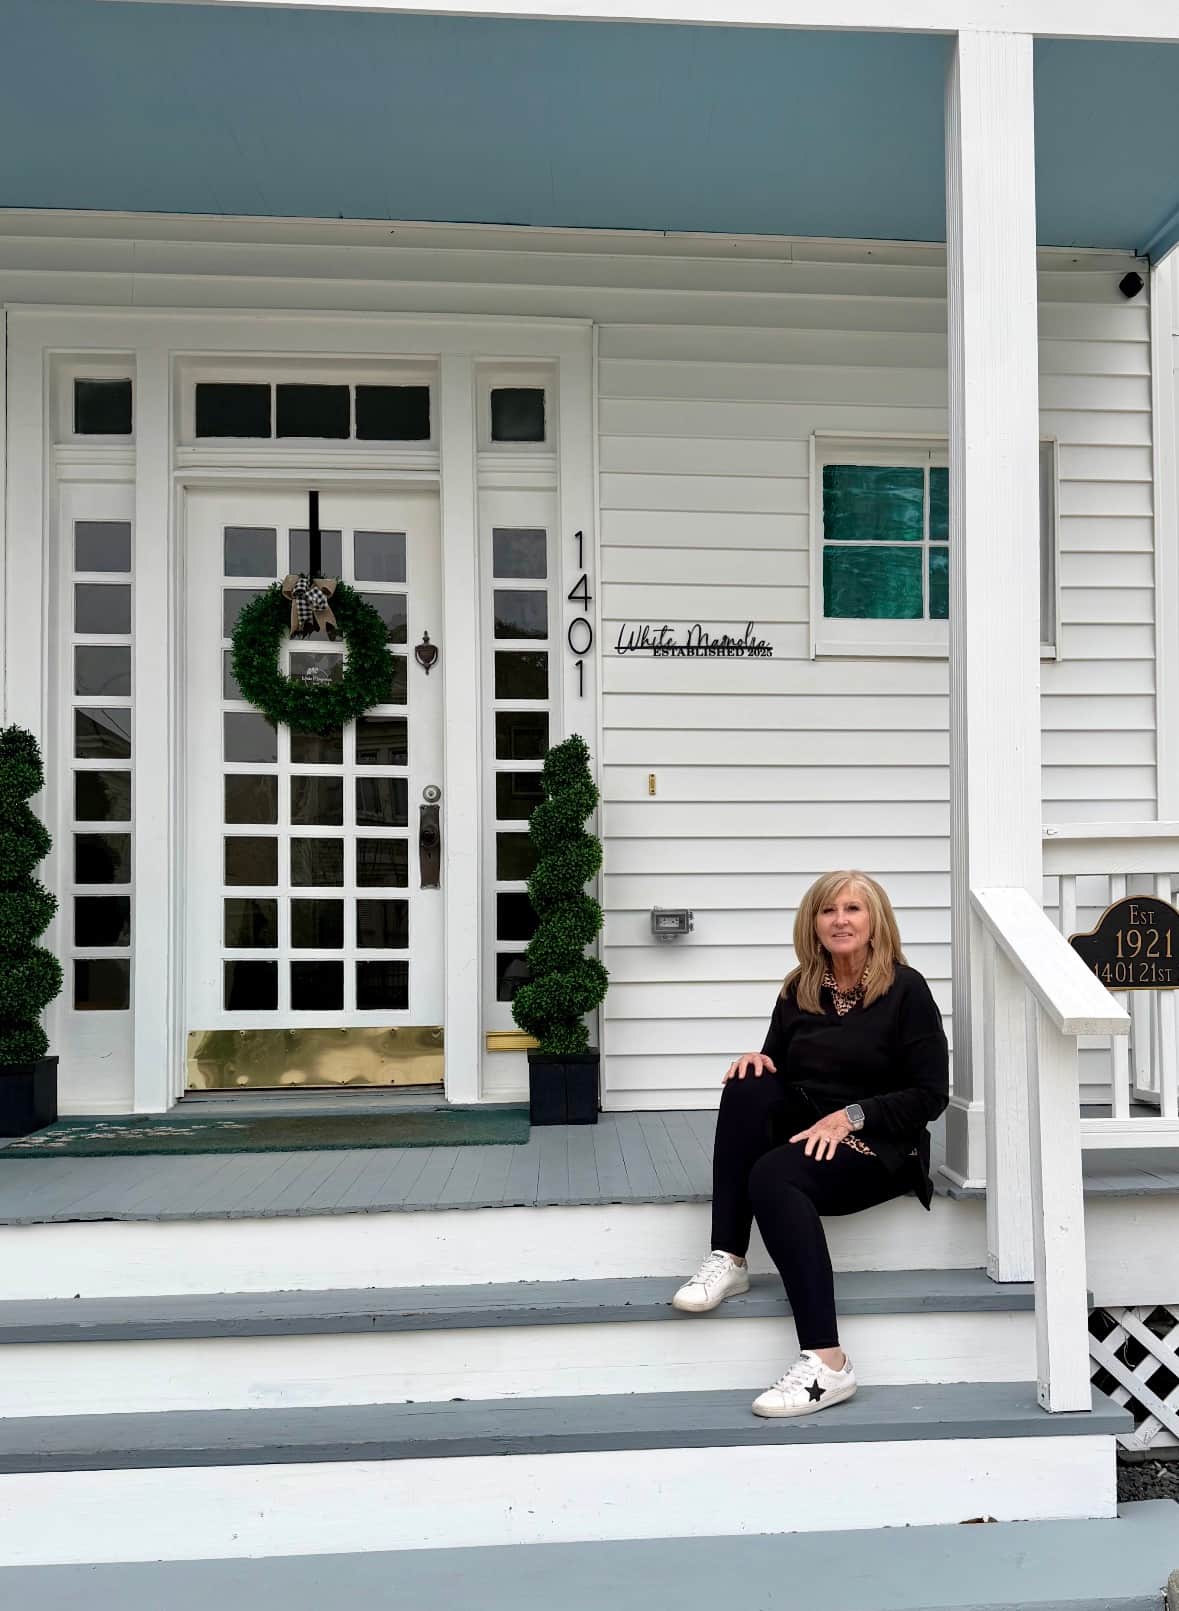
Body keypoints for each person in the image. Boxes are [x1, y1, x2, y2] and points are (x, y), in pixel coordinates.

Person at [672, 869, 949, 1419]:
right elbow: (780, 1068)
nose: (840, 921)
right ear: (813, 922)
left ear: (875, 922)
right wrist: (757, 1061)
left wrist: (852, 1117)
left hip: (877, 1142)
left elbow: (930, 1094)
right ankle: (728, 1255)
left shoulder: (906, 990)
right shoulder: (800, 986)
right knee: (749, 1082)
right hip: (810, 1127)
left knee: (772, 1177)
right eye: (828, 911)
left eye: (853, 909)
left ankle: (829, 1362)